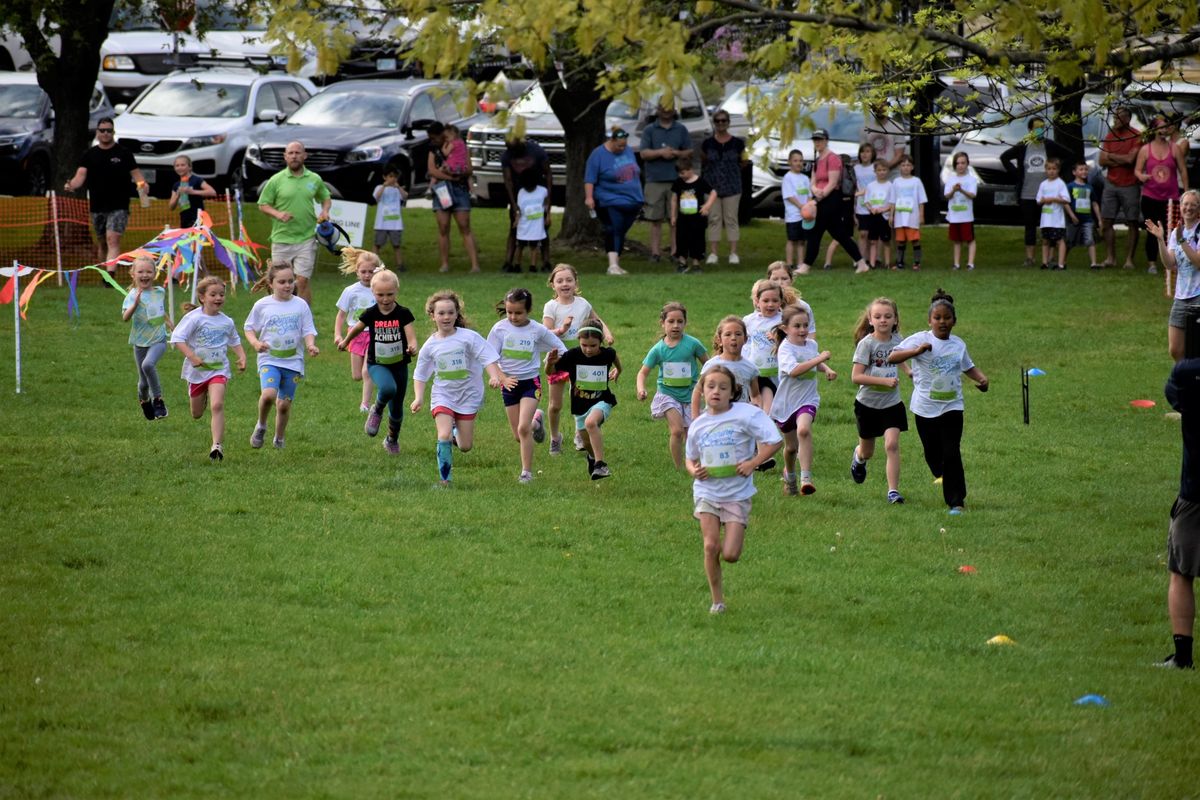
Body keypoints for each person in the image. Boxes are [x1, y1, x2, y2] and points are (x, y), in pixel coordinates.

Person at [685, 365, 783, 614]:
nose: (716, 391)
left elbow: (775, 440)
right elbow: (690, 458)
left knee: (730, 555)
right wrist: (693, 470)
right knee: (710, 546)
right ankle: (717, 601)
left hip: (737, 494)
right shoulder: (698, 425)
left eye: (722, 387)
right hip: (707, 491)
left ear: (732, 392)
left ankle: (733, 533)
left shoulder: (746, 415)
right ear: (703, 391)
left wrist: (753, 462)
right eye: (710, 386)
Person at [888, 288, 989, 514]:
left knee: (952, 452)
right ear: (929, 320)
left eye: (947, 318)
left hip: (953, 406)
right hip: (925, 408)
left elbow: (968, 367)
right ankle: (942, 473)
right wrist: (917, 351)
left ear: (954, 321)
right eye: (937, 318)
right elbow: (892, 357)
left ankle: (956, 502)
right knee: (933, 455)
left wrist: (981, 379)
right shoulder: (920, 339)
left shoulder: (958, 344)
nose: (942, 322)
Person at [410, 291, 514, 486]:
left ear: (457, 314)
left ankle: (455, 431)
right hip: (443, 395)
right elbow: (420, 374)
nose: (446, 317)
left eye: (450, 312)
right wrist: (418, 398)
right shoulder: (430, 345)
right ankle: (444, 480)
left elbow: (488, 358)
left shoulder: (469, 338)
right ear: (432, 316)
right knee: (443, 435)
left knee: (465, 446)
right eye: (441, 313)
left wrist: (494, 376)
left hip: (468, 396)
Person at [486, 287, 566, 483]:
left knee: (523, 429)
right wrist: (500, 377)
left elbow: (560, 348)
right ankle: (536, 421)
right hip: (509, 386)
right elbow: (489, 357)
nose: (513, 317)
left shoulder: (537, 330)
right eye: (510, 312)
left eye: (518, 313)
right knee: (519, 435)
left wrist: (552, 359)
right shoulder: (499, 329)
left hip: (531, 383)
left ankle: (526, 473)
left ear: (528, 310)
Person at [337, 268, 417, 455]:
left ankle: (391, 440)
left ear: (396, 291)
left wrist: (413, 347)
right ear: (373, 293)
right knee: (388, 389)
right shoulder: (371, 313)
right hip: (377, 363)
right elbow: (356, 328)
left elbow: (411, 336)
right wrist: (346, 341)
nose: (385, 299)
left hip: (399, 364)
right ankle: (377, 409)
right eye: (380, 295)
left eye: (390, 294)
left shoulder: (403, 313)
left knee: (397, 408)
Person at [244, 261, 319, 450]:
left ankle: (279, 438)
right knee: (269, 395)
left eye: (290, 281)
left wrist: (310, 345)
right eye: (282, 282)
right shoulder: (262, 305)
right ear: (271, 283)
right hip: (269, 359)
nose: (287, 285)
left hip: (293, 362)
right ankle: (261, 425)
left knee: (284, 405)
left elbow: (308, 329)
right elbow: (249, 328)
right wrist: (255, 343)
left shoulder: (300, 305)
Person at [169, 275, 246, 461]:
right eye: (213, 294)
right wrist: (193, 357)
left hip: (218, 370)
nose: (218, 298)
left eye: (221, 294)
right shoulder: (194, 318)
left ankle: (217, 446)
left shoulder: (226, 321)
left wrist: (242, 355)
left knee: (217, 404)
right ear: (202, 297)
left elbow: (234, 339)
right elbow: (177, 338)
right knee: (196, 414)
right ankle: (201, 397)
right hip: (196, 372)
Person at [542, 264, 614, 453]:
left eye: (569, 280)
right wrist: (563, 329)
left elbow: (597, 321)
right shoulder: (551, 307)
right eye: (559, 281)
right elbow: (545, 333)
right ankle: (555, 437)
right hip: (559, 359)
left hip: (583, 360)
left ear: (575, 283)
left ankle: (579, 434)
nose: (565, 284)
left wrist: (607, 333)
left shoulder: (583, 304)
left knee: (581, 397)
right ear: (553, 285)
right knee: (555, 405)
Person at [63, 116, 148, 271]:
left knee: (112, 240)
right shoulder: (89, 154)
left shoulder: (124, 153)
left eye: (109, 130)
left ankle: (110, 276)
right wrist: (71, 185)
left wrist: (143, 186)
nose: (106, 133)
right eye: (102, 130)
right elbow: (79, 177)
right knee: (102, 242)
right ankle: (104, 273)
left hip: (119, 205)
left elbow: (137, 175)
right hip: (97, 205)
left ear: (113, 132)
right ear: (97, 132)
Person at [768, 305, 836, 496]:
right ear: (785, 328)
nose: (803, 330)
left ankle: (806, 478)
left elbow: (814, 359)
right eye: (797, 326)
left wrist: (826, 369)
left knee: (804, 430)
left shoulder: (811, 345)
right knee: (790, 448)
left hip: (808, 399)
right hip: (787, 403)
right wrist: (819, 359)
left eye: (805, 325)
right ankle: (790, 478)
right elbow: (795, 370)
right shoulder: (785, 349)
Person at [1159, 356, 1200, 669]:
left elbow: (1174, 395)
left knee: (1181, 570)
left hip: (1195, 490)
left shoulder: (1188, 373)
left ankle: (1183, 656)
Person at [849, 297, 910, 504]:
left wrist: (909, 371)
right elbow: (856, 377)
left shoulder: (898, 340)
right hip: (867, 405)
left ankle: (893, 491)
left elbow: (899, 358)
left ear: (895, 319)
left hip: (891, 404)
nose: (883, 320)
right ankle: (858, 458)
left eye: (887, 316)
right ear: (870, 320)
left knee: (892, 445)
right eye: (878, 316)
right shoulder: (866, 344)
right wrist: (883, 381)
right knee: (868, 451)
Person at [257, 141, 332, 305]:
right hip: (281, 239)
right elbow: (263, 204)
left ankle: (305, 320)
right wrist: (278, 214)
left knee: (302, 281)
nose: (294, 156)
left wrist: (325, 211)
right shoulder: (276, 180)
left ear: (304, 156)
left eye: (298, 153)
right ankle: (277, 313)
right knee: (278, 282)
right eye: (290, 153)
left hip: (307, 238)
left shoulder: (314, 178)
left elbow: (325, 197)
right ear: (285, 157)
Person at [636, 301, 709, 470]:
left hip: (691, 394)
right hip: (667, 394)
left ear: (685, 323)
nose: (675, 325)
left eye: (680, 321)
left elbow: (709, 365)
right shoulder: (658, 349)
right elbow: (642, 372)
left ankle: (694, 464)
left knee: (691, 433)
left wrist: (706, 385)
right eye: (671, 321)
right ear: (662, 323)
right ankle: (679, 468)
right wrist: (641, 388)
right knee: (676, 431)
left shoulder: (693, 344)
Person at [548, 325, 621, 480]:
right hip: (579, 405)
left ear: (600, 342)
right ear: (579, 341)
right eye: (584, 345)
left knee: (591, 423)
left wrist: (618, 371)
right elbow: (551, 372)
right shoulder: (572, 355)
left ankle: (600, 465)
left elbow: (614, 358)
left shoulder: (606, 354)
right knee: (586, 442)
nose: (588, 350)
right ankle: (593, 457)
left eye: (593, 346)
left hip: (602, 400)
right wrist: (549, 363)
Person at [1000, 117, 1074, 267]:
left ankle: (1050, 257)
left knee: (1050, 226)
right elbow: (1004, 157)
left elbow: (1070, 155)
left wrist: (1058, 170)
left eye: (1042, 127)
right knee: (1030, 225)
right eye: (1036, 128)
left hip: (1048, 196)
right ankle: (1030, 257)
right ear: (1030, 130)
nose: (1039, 130)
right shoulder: (1023, 146)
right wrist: (1017, 174)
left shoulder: (1049, 145)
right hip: (1027, 193)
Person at [796, 129, 870, 275]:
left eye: (820, 139)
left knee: (816, 232)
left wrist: (818, 198)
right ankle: (862, 263)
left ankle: (806, 266)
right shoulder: (817, 160)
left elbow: (833, 183)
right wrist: (815, 189)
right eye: (815, 140)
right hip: (821, 199)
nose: (817, 142)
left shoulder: (833, 159)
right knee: (839, 234)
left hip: (831, 200)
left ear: (826, 140)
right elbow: (813, 180)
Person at [1146, 189, 1200, 362]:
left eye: (1193, 204)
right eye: (1185, 204)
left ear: (1198, 208)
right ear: (1181, 206)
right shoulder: (1177, 232)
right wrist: (1161, 240)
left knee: (1196, 348)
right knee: (1175, 349)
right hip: (1181, 297)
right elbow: (1169, 264)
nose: (1188, 208)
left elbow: (1198, 262)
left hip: (1198, 297)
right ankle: (1187, 380)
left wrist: (1182, 241)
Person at [585, 127, 643, 275]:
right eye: (619, 145)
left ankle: (616, 264)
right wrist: (589, 197)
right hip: (610, 199)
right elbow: (590, 179)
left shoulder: (628, 150)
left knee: (621, 231)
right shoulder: (598, 155)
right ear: (611, 140)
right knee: (613, 228)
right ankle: (612, 265)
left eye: (624, 145)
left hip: (633, 200)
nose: (622, 148)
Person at [121, 255, 173, 420]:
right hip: (140, 342)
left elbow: (159, 310)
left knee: (148, 364)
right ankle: (144, 401)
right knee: (143, 383)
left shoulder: (160, 292)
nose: (145, 275)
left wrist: (171, 324)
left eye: (149, 272)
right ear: (133, 274)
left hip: (158, 339)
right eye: (141, 272)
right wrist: (135, 305)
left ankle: (158, 400)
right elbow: (125, 317)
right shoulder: (131, 295)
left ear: (154, 274)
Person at [639, 101, 692, 262]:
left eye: (669, 108)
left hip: (677, 180)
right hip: (654, 179)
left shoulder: (681, 129)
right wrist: (661, 153)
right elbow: (643, 153)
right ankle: (655, 253)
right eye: (663, 108)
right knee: (655, 219)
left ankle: (675, 252)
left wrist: (676, 153)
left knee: (675, 219)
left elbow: (689, 151)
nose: (666, 111)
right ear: (658, 110)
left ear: (674, 109)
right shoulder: (649, 130)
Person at [1136, 115, 1189, 275]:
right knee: (1152, 231)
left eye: (1166, 127)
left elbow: (1183, 170)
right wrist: (1141, 176)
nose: (1164, 130)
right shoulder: (1145, 149)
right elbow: (1137, 170)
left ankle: (1172, 262)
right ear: (1153, 130)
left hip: (1171, 197)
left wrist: (1185, 193)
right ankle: (1152, 263)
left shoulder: (1174, 148)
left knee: (1171, 230)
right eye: (1160, 127)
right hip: (1150, 196)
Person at [427, 122, 481, 274]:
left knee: (465, 226)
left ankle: (475, 265)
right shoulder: (433, 150)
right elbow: (432, 170)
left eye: (435, 137)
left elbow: (469, 168)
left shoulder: (459, 145)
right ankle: (444, 264)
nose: (434, 140)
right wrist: (449, 177)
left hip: (460, 189)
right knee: (443, 227)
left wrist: (458, 175)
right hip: (442, 190)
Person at [334, 248, 381, 413]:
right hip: (355, 333)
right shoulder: (350, 291)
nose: (367, 275)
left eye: (371, 271)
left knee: (366, 371)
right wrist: (338, 334)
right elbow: (341, 315)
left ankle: (365, 405)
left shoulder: (380, 288)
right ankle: (374, 378)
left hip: (375, 333)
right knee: (357, 376)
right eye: (363, 272)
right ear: (357, 271)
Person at [700, 109, 747, 265]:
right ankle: (713, 253)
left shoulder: (738, 143)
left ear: (728, 123)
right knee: (714, 219)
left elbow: (743, 162)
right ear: (714, 123)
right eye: (718, 121)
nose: (721, 123)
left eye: (724, 120)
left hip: (732, 186)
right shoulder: (707, 143)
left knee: (731, 219)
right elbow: (704, 162)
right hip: (711, 186)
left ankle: (733, 253)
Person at [692, 316, 760, 419]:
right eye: (728, 334)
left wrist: (758, 413)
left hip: (740, 420)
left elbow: (755, 395)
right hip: (714, 419)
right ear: (720, 340)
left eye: (738, 334)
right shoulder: (712, 365)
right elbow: (698, 391)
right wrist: (695, 417)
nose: (733, 338)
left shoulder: (750, 368)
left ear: (745, 339)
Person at [500, 135, 552, 273]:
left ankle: (546, 262)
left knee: (543, 230)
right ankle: (509, 262)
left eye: (515, 149)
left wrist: (548, 200)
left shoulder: (537, 152)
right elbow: (508, 180)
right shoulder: (507, 156)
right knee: (514, 229)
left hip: (537, 192)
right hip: (519, 194)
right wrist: (514, 205)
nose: (513, 153)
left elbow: (548, 174)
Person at [1099, 106, 1142, 269]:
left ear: (1127, 119)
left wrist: (1110, 156)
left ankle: (1129, 260)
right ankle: (1111, 258)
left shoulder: (1137, 136)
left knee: (1132, 222)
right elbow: (1101, 161)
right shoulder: (1110, 136)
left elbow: (1131, 160)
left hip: (1130, 184)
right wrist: (1119, 159)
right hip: (1111, 183)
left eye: (1118, 118)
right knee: (1106, 221)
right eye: (1114, 117)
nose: (1114, 120)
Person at [743, 279, 784, 414]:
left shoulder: (784, 320)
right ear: (757, 301)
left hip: (777, 373)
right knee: (761, 409)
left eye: (775, 300)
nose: (770, 304)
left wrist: (780, 339)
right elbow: (742, 344)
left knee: (775, 412)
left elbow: (795, 343)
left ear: (781, 301)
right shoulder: (749, 320)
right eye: (766, 301)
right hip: (755, 373)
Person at [669, 156, 716, 273]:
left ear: (691, 169)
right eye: (679, 173)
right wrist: (673, 215)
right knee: (681, 239)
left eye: (683, 173)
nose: (681, 176)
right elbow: (674, 199)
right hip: (683, 218)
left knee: (697, 239)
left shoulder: (700, 182)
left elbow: (713, 192)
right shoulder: (679, 182)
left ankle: (696, 263)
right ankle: (682, 263)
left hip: (697, 218)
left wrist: (707, 206)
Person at [891, 154, 928, 270]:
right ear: (899, 167)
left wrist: (921, 215)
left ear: (912, 167)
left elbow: (922, 200)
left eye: (908, 165)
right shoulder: (896, 182)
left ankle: (917, 262)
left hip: (912, 216)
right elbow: (892, 200)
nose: (906, 167)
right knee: (900, 240)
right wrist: (891, 216)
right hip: (900, 216)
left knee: (914, 239)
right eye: (903, 165)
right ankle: (899, 262)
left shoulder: (916, 181)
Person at [1036, 157, 1072, 270]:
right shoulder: (1043, 184)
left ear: (1058, 170)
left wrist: (1054, 199)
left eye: (1054, 169)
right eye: (1049, 169)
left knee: (1059, 241)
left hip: (1056, 220)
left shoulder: (1060, 184)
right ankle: (1044, 262)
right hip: (1046, 219)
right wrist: (1043, 200)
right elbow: (1038, 200)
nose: (1051, 171)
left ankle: (1061, 264)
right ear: (1045, 170)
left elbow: (1066, 199)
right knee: (1045, 240)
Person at [944, 152, 978, 271]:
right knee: (956, 240)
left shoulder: (972, 180)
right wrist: (954, 190)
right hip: (954, 216)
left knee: (970, 239)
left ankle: (970, 263)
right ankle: (956, 264)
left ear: (967, 164)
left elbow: (972, 195)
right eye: (958, 163)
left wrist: (962, 190)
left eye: (963, 163)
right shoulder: (951, 179)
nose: (960, 166)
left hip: (966, 216)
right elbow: (947, 195)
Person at [780, 149, 814, 270]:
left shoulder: (805, 178)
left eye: (800, 161)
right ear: (790, 162)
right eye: (795, 161)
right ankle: (789, 263)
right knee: (792, 239)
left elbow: (809, 195)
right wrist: (801, 207)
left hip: (805, 216)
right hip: (793, 215)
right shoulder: (788, 178)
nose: (798, 163)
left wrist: (809, 208)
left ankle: (800, 263)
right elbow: (789, 196)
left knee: (802, 240)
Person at [514, 166, 551, 273]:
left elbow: (546, 204)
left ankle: (533, 266)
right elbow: (519, 209)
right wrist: (517, 220)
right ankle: (517, 264)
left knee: (534, 245)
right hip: (524, 222)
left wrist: (547, 216)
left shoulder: (543, 191)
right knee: (520, 244)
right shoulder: (521, 192)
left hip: (536, 223)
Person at [1065, 160, 1101, 269]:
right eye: (1081, 169)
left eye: (1086, 169)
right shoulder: (1070, 186)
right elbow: (1066, 203)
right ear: (1074, 172)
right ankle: (1062, 261)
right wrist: (1071, 215)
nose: (1084, 171)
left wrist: (1099, 219)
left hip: (1087, 219)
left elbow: (1094, 204)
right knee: (1069, 241)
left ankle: (1093, 263)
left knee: (1090, 240)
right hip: (1074, 219)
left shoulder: (1089, 187)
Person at [862, 159, 895, 270]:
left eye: (884, 170)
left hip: (884, 217)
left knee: (886, 241)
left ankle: (887, 263)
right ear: (875, 171)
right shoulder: (871, 186)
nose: (881, 172)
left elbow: (892, 203)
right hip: (873, 216)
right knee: (873, 241)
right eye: (879, 170)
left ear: (888, 171)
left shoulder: (890, 186)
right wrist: (871, 209)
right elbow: (866, 201)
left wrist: (884, 210)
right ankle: (872, 264)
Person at [850, 142, 879, 266]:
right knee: (862, 233)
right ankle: (859, 259)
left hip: (875, 205)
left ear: (872, 154)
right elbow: (853, 187)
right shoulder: (856, 169)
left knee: (873, 236)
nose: (865, 154)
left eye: (868, 151)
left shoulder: (875, 168)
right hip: (861, 205)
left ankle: (873, 259)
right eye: (862, 151)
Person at [372, 169, 407, 271]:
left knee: (397, 245)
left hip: (395, 223)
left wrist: (399, 187)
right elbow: (376, 197)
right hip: (381, 223)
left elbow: (405, 196)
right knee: (377, 244)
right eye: (390, 176)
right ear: (385, 177)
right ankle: (373, 264)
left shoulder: (397, 189)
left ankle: (400, 265)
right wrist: (384, 186)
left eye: (395, 177)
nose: (393, 179)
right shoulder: (379, 187)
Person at [168, 155, 215, 229]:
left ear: (190, 167)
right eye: (177, 165)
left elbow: (212, 192)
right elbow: (171, 207)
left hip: (198, 218)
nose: (180, 168)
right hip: (185, 219)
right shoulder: (176, 185)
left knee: (198, 239)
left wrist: (192, 192)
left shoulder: (197, 180)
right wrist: (177, 196)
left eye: (183, 165)